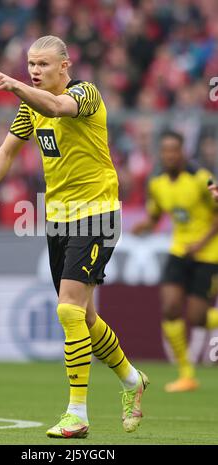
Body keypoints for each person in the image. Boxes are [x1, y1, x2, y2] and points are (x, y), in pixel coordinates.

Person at [0, 35, 149, 438]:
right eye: (30, 64)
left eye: (43, 64)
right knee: (84, 318)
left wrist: (15, 84)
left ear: (65, 66)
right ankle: (131, 380)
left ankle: (77, 413)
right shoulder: (29, 108)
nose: (35, 71)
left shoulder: (85, 94)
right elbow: (5, 152)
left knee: (68, 310)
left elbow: (58, 107)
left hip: (98, 214)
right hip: (59, 219)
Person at [132, 130, 218, 393]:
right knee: (170, 307)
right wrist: (145, 225)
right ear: (161, 153)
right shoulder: (156, 182)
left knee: (197, 317)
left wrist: (201, 243)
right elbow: (155, 215)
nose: (170, 154)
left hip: (208, 255)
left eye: (174, 150)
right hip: (179, 251)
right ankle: (186, 374)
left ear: (183, 152)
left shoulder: (203, 179)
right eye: (166, 150)